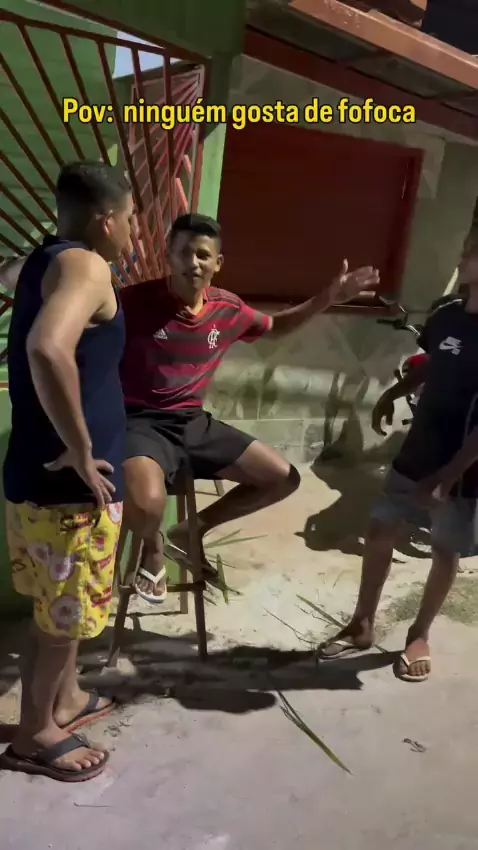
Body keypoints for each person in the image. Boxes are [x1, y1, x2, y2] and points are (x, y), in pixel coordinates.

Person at [119, 212, 379, 603]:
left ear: (218, 263)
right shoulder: (133, 303)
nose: (193, 263)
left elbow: (274, 328)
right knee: (148, 503)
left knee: (282, 478)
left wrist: (325, 299)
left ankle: (190, 530)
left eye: (203, 255)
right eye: (184, 252)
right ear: (168, 255)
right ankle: (153, 550)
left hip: (193, 422)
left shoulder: (227, 309)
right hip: (140, 422)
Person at [0, 161, 133, 781]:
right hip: (69, 488)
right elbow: (47, 347)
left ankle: (68, 697)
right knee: (60, 620)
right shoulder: (87, 266)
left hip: (34, 478)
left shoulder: (41, 261)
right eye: (130, 220)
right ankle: (34, 734)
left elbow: (13, 283)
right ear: (107, 221)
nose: (132, 232)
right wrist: (81, 448)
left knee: (59, 608)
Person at [319, 255, 478, 682]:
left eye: (474, 252)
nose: (464, 257)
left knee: (444, 551)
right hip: (417, 451)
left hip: (463, 469)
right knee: (379, 529)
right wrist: (394, 393)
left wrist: (446, 478)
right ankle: (362, 624)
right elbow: (433, 366)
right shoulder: (447, 315)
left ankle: (419, 634)